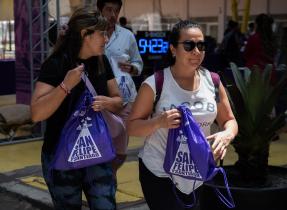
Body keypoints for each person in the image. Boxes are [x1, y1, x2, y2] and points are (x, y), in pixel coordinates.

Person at [127, 20, 238, 210]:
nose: (196, 51)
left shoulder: (213, 81)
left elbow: (229, 120)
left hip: (198, 170)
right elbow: (131, 126)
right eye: (189, 45)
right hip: (160, 172)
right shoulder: (155, 84)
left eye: (201, 45)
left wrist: (226, 134)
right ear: (173, 49)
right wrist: (158, 122)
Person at [30, 8, 122, 210]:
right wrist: (65, 86)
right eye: (102, 34)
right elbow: (36, 113)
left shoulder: (101, 61)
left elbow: (119, 101)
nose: (106, 39)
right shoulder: (56, 64)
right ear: (85, 34)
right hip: (61, 154)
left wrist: (107, 102)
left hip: (97, 152)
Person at [97, 0, 143, 170]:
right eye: (109, 10)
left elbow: (139, 63)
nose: (113, 15)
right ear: (99, 10)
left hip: (125, 99)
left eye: (116, 11)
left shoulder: (127, 36)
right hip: (100, 100)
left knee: (120, 151)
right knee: (100, 147)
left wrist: (133, 68)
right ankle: (102, 184)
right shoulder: (89, 35)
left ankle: (111, 179)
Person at [244, 13, 277, 84]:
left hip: (254, 76)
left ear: (257, 25)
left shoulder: (253, 38)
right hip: (270, 76)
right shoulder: (273, 39)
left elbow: (246, 55)